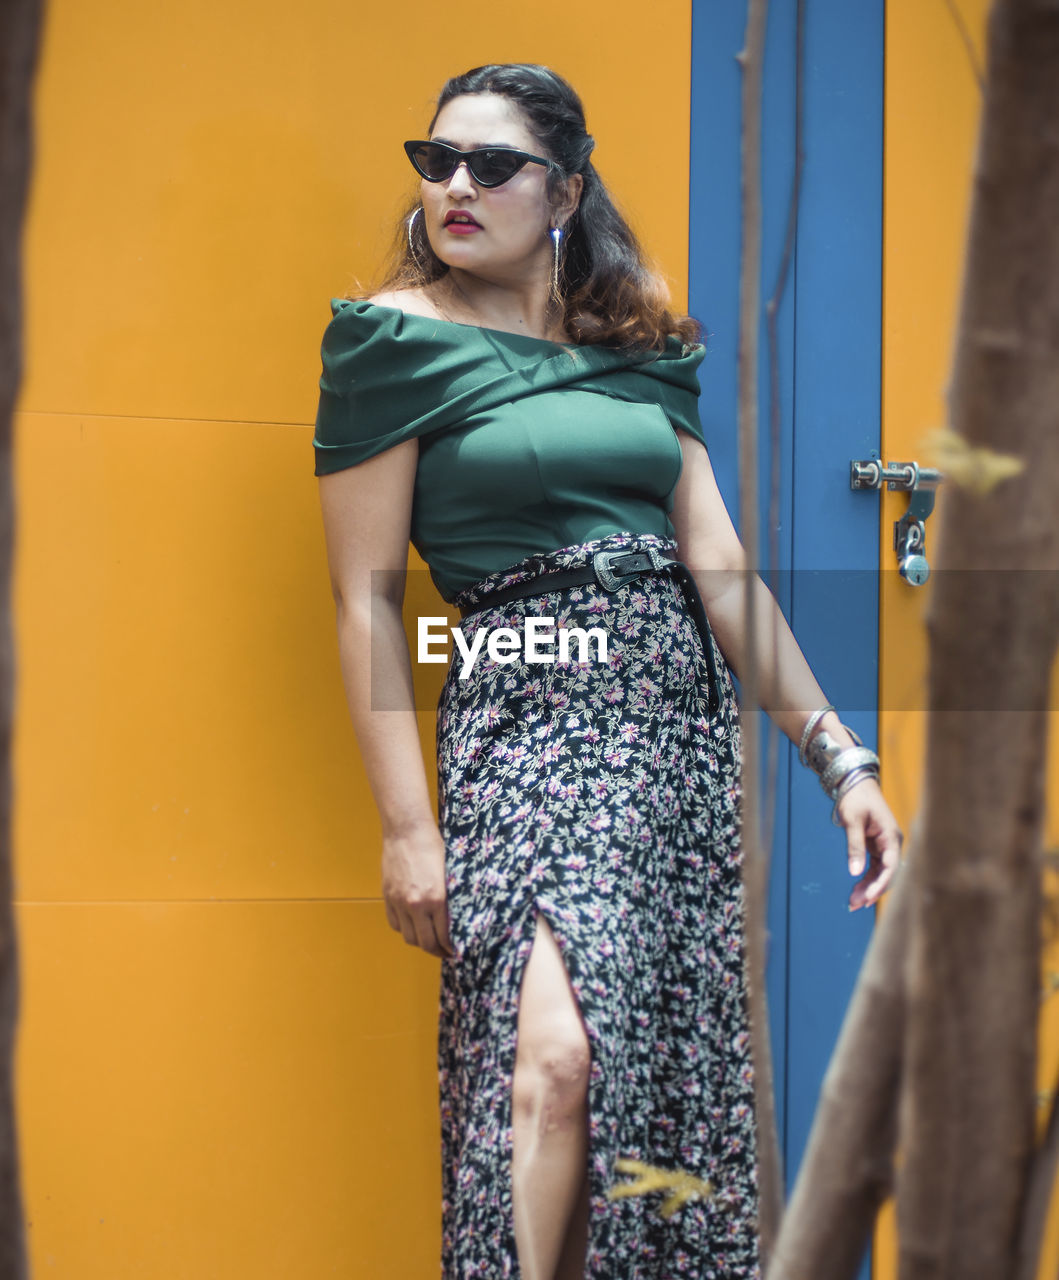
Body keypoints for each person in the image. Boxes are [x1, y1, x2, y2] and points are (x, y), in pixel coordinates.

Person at [312, 62, 902, 1280]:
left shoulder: (638, 336)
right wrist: (406, 827)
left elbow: (722, 568)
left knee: (634, 1080)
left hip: (665, 738)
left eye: (491, 165)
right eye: (435, 162)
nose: (455, 187)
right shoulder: (390, 338)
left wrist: (839, 756)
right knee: (556, 1063)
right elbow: (366, 601)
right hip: (524, 720)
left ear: (566, 188)